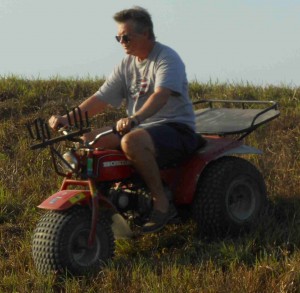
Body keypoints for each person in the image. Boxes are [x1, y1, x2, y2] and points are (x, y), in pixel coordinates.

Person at [49, 6, 200, 233]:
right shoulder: (126, 64)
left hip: (174, 127)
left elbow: (161, 95)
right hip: (140, 127)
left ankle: (162, 203)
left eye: (126, 37)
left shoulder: (166, 58)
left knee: (131, 141)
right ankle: (105, 201)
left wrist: (136, 118)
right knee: (89, 141)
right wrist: (67, 119)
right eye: (118, 37)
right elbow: (101, 98)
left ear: (146, 33)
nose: (122, 42)